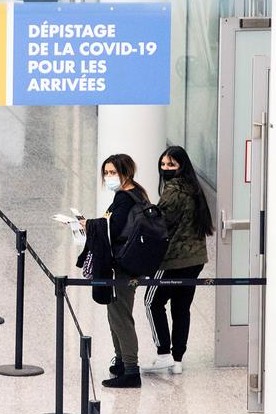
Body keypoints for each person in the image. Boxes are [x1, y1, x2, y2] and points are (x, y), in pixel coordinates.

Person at [142, 146, 214, 375]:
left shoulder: (173, 190)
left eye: (170, 165)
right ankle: (178, 359)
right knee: (182, 308)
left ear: (181, 166)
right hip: (195, 258)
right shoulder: (195, 188)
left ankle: (163, 353)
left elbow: (160, 223)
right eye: (163, 165)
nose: (165, 169)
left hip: (173, 259)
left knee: (152, 302)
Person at [97, 154, 149, 388]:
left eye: (113, 173)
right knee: (116, 314)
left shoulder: (125, 199)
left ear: (126, 172)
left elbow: (113, 229)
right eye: (106, 173)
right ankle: (120, 362)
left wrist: (87, 225)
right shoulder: (137, 193)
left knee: (120, 316)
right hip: (131, 263)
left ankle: (130, 369)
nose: (109, 177)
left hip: (123, 266)